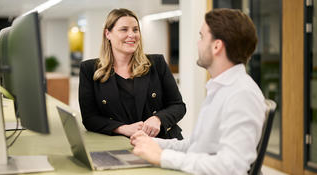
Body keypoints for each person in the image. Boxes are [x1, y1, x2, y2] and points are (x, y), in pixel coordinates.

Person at [130, 8, 266, 175]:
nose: (198, 43)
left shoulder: (241, 94)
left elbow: (232, 167)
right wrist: (154, 144)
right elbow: (196, 145)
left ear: (217, 46)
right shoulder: (220, 88)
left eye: (202, 37)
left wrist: (163, 157)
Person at [78, 8, 186, 139]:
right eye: (124, 29)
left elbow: (178, 106)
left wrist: (158, 119)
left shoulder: (157, 64)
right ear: (108, 34)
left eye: (135, 29)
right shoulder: (89, 69)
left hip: (161, 143)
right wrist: (123, 129)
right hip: (119, 145)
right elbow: (90, 118)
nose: (132, 35)